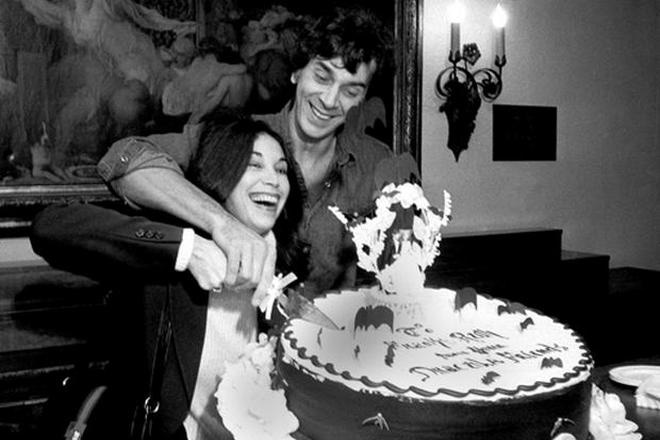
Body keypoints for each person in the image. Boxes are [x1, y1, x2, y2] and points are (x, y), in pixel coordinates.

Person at [97, 6, 418, 303]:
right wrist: (222, 223)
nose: (330, 100)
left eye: (351, 91)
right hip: (238, 340)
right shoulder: (234, 137)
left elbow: (401, 271)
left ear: (363, 98)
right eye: (322, 77)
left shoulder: (378, 163)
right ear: (296, 72)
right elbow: (125, 157)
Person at [31, 112, 306, 440]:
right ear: (224, 173)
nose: (273, 180)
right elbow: (50, 227)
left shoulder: (283, 269)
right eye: (254, 164)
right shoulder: (174, 256)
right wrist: (189, 250)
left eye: (281, 170)